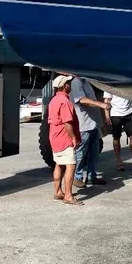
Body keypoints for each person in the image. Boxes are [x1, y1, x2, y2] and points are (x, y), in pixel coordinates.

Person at [48, 74, 83, 206]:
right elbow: (67, 123)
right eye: (68, 83)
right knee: (70, 165)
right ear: (64, 86)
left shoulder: (53, 100)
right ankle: (68, 195)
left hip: (54, 137)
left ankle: (57, 191)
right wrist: (74, 137)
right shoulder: (65, 102)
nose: (70, 85)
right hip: (64, 138)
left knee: (58, 163)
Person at [70, 77, 110, 188]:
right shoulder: (76, 83)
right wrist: (100, 104)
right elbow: (81, 100)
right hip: (84, 126)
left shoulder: (86, 81)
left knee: (94, 153)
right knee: (81, 153)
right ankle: (77, 177)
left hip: (93, 124)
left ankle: (92, 176)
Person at [104, 91, 132, 171]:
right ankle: (119, 162)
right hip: (115, 114)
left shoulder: (127, 82)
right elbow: (107, 101)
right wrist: (107, 116)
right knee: (116, 137)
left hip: (129, 113)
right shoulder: (109, 84)